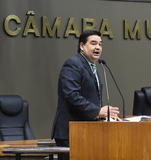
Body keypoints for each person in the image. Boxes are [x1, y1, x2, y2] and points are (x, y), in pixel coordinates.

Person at [51, 30, 121, 160]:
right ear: (82, 46)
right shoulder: (73, 64)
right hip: (71, 132)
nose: (98, 47)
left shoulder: (92, 66)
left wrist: (106, 115)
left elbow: (91, 98)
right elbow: (71, 96)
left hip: (86, 131)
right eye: (93, 43)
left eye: (100, 44)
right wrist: (98, 111)